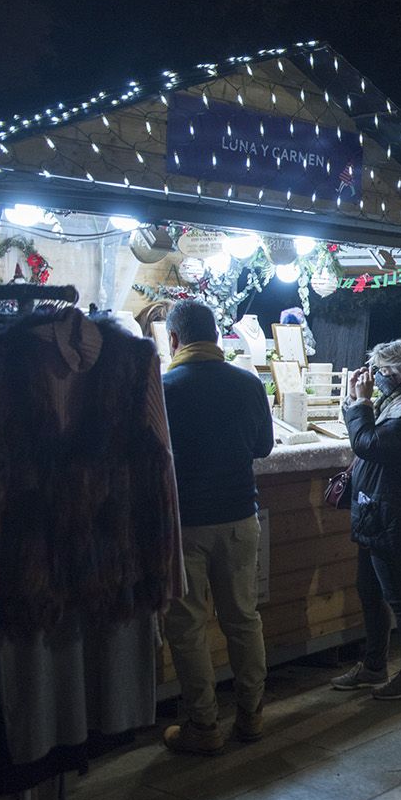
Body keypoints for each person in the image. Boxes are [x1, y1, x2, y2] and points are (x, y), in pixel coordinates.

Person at [160, 300, 273, 754]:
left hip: (185, 525)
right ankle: (251, 716)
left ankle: (203, 725)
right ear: (216, 335)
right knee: (243, 618)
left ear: (173, 340)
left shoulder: (163, 387)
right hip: (240, 518)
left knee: (187, 628)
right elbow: (264, 447)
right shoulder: (247, 383)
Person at [331, 339, 401, 699]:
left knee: (400, 598)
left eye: (384, 371)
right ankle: (374, 666)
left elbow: (367, 443)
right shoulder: (398, 403)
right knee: (370, 591)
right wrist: (359, 400)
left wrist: (360, 402)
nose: (378, 377)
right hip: (377, 510)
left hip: (393, 514)